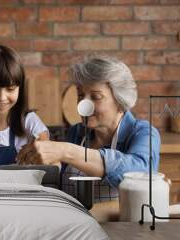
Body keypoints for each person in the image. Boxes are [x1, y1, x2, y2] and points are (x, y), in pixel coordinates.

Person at [17, 55, 161, 220]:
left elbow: (139, 175)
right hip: (74, 232)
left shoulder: (143, 133)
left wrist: (66, 150)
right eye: (80, 95)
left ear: (120, 100)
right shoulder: (77, 133)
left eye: (95, 97)